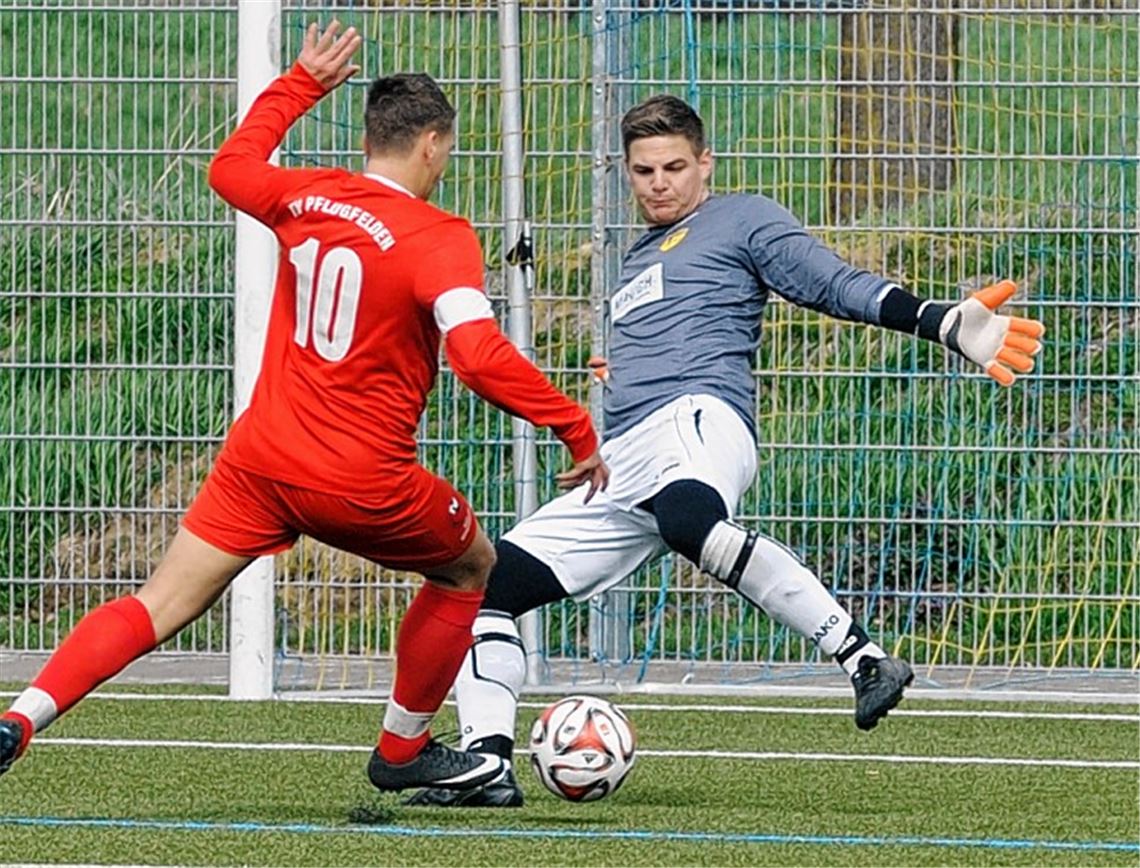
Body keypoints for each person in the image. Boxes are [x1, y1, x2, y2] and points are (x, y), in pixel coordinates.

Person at [0, 22, 608, 795]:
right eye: (446, 152)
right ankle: (400, 752)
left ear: (369, 140)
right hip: (361, 478)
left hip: (259, 460)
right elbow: (479, 355)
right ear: (430, 144)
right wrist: (574, 424)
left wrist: (300, 82)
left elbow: (229, 168)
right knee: (469, 569)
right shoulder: (438, 236)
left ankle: (19, 719)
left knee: (160, 603)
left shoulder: (307, 194)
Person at [406, 94, 1046, 807]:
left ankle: (862, 658)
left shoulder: (741, 218)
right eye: (643, 169)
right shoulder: (634, 258)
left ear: (704, 164)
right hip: (623, 457)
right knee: (485, 587)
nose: (659, 182)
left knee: (689, 519)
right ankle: (487, 763)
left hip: (700, 418)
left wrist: (941, 321)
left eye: (674, 166)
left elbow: (833, 284)